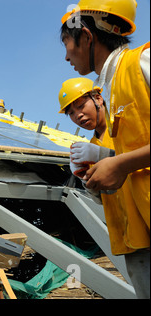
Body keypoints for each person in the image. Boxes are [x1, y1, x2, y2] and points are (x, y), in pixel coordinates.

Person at [60, 0, 149, 298]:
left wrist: (119, 164)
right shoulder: (112, 91)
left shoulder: (142, 63)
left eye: (67, 43)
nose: (66, 56)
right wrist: (103, 169)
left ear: (86, 36)